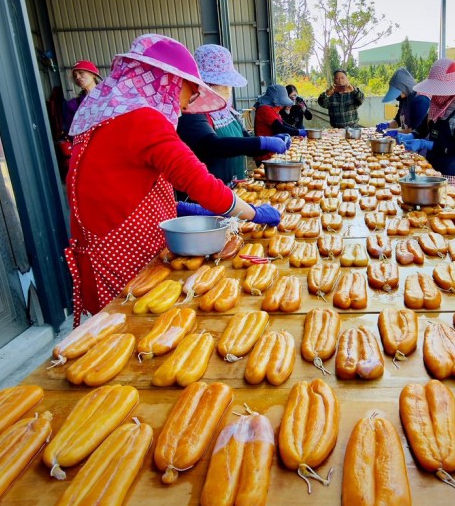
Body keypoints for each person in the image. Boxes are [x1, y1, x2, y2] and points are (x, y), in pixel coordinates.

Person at [65, 34, 279, 325]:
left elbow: (125, 184)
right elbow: (199, 182)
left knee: (127, 329)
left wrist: (179, 209)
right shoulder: (143, 120)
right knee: (133, 329)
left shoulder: (112, 116)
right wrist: (254, 213)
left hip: (104, 243)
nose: (187, 104)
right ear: (169, 82)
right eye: (190, 93)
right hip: (123, 251)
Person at [176, 44, 289, 184]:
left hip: (235, 191)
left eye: (227, 85)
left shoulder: (227, 111)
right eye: (220, 84)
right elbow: (211, 146)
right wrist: (262, 142)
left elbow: (248, 145)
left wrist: (270, 142)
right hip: (207, 197)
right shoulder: (190, 112)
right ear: (202, 84)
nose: (227, 89)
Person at [395, 58, 455, 188]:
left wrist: (424, 143)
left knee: (447, 203)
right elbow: (424, 126)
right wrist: (412, 135)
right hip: (432, 164)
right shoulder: (436, 102)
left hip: (450, 169)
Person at [254, 84, 306, 159]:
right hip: (264, 153)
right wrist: (298, 132)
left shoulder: (273, 109)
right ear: (275, 100)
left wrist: (298, 130)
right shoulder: (264, 109)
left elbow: (283, 123)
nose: (282, 105)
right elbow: (279, 127)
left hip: (272, 150)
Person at [375, 67, 430, 136]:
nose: (397, 97)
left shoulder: (421, 100)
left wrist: (395, 133)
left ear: (405, 87)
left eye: (398, 92)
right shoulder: (403, 98)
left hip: (417, 142)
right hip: (406, 140)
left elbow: (414, 131)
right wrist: (387, 125)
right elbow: (398, 121)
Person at [63, 60, 101, 132]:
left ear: (94, 75)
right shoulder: (72, 105)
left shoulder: (110, 96)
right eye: (75, 75)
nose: (77, 77)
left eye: (81, 73)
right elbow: (71, 130)